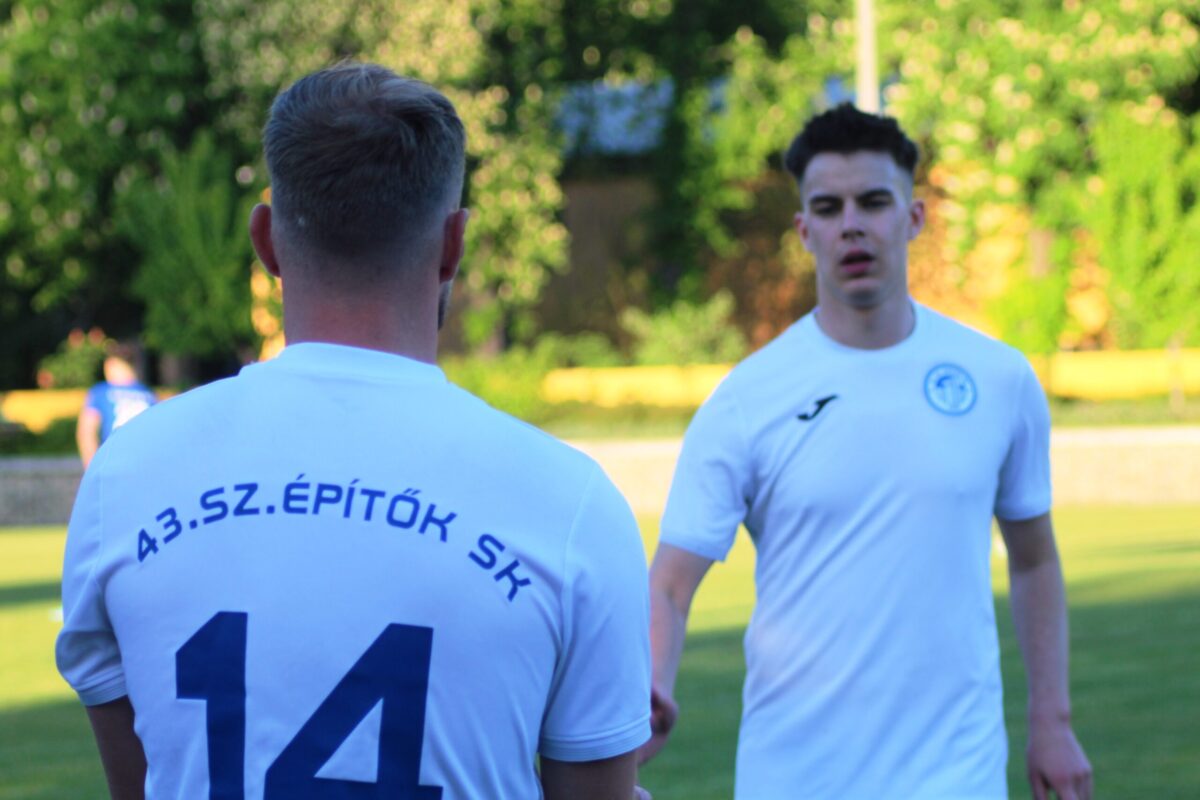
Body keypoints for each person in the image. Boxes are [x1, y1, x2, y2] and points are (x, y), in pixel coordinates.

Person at [57, 62, 651, 800]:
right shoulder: (570, 504)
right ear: (454, 244)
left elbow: (143, 781)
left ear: (266, 241)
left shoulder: (128, 477)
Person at [639, 103, 1093, 800]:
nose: (851, 224)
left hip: (956, 775)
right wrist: (652, 683)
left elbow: (1034, 560)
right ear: (804, 231)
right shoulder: (747, 399)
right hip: (795, 777)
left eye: (874, 202)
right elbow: (670, 584)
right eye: (828, 208)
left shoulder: (999, 379)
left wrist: (1052, 722)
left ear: (913, 217)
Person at [76, 342, 157, 469]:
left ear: (111, 364)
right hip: (144, 463)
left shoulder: (101, 392)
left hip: (112, 463)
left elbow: (86, 433)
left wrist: (92, 469)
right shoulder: (148, 393)